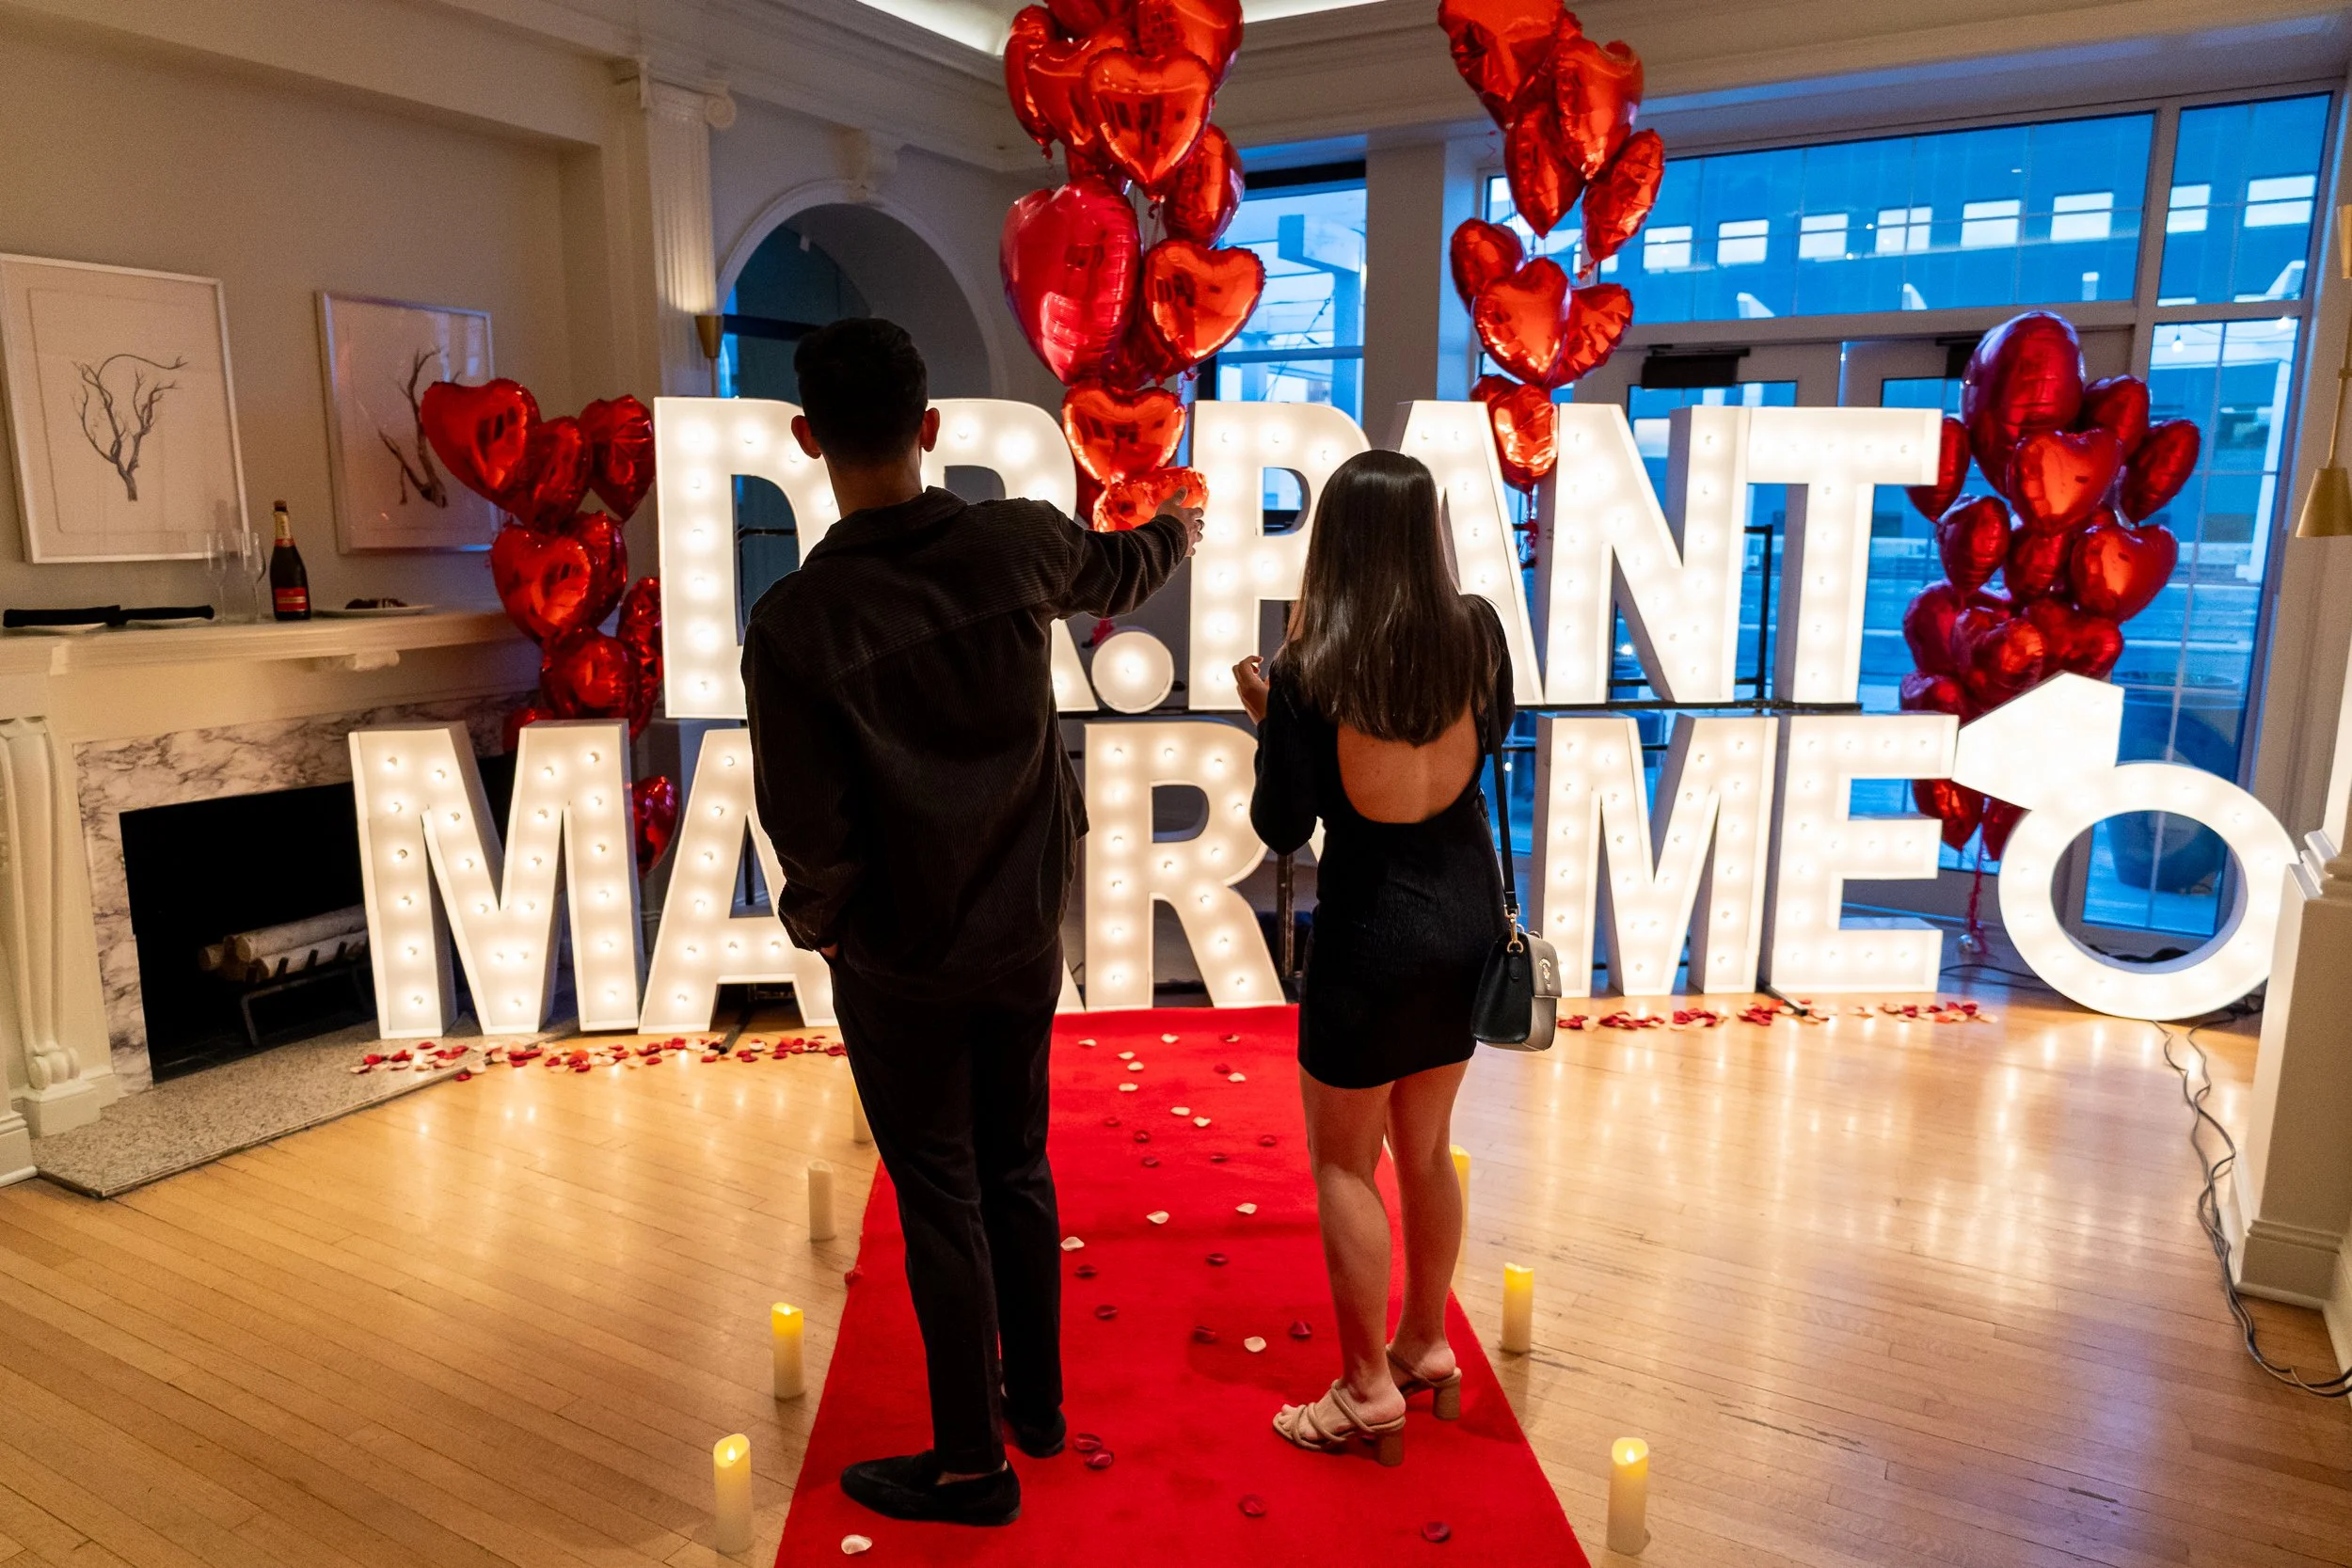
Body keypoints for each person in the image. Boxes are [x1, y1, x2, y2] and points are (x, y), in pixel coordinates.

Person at [742, 318, 1201, 1526]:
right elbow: (1122, 569)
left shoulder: (798, 619)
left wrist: (826, 925)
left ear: (807, 439)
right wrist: (1176, 527)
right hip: (1014, 937)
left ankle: (967, 1466)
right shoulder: (1015, 543)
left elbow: (803, 817)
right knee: (1016, 1163)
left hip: (898, 957)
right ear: (931, 424)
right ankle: (1035, 1406)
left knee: (939, 1190)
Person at [1233, 449, 1511, 1467]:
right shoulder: (1477, 630)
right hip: (1465, 921)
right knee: (1425, 1146)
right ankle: (1426, 1341)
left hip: (1370, 935)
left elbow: (1282, 818)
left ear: (1336, 541)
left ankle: (1362, 1388)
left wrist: (1272, 717)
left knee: (1345, 1158)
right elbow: (1492, 739)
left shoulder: (1315, 660)